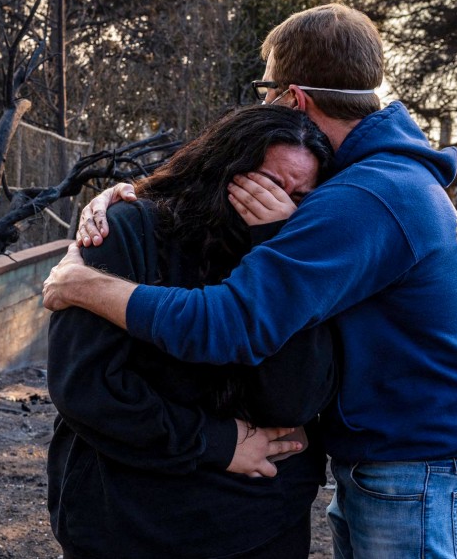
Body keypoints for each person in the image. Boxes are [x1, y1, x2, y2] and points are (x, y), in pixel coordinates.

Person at [42, 3, 457, 559]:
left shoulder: (364, 197)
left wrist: (81, 285)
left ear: (293, 97)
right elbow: (223, 172)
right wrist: (139, 193)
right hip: (403, 462)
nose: (263, 108)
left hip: (416, 471)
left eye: (266, 92)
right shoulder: (382, 176)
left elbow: (230, 323)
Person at [47, 106, 337, 558]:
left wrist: (279, 246)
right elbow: (85, 387)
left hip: (261, 523)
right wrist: (217, 442)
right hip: (130, 523)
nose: (281, 204)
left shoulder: (302, 255)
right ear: (223, 168)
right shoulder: (127, 229)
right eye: (269, 185)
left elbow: (292, 400)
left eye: (301, 196)